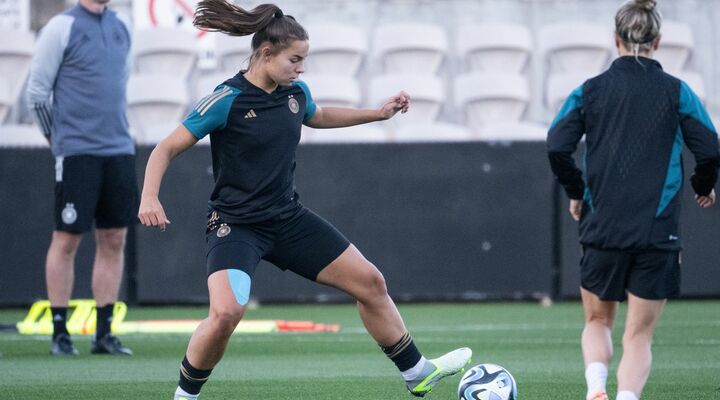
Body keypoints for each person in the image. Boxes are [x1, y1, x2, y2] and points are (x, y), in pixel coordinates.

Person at [137, 1, 471, 399]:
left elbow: (319, 115)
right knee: (226, 313)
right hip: (236, 225)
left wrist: (378, 114)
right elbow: (165, 148)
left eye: (303, 60)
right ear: (266, 53)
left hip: (287, 219)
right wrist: (149, 198)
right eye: (295, 59)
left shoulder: (295, 93)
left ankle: (418, 372)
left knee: (370, 282)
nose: (301, 68)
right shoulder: (226, 99)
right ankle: (185, 395)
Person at [546, 1, 720, 400]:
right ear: (657, 41)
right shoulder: (678, 92)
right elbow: (708, 148)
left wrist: (577, 192)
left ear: (615, 40)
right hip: (656, 231)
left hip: (601, 225)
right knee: (639, 335)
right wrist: (702, 185)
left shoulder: (589, 91)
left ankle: (595, 390)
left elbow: (557, 146)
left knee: (597, 320)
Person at [26, 0, 136, 356]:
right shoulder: (61, 28)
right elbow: (37, 94)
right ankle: (60, 333)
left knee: (114, 238)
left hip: (119, 149)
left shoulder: (122, 26)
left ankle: (104, 335)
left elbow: (120, 83)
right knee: (67, 239)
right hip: (76, 153)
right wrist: (58, 142)